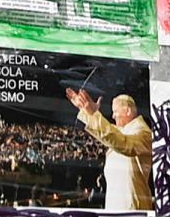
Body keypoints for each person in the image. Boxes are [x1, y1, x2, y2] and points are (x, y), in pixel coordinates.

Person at [65, 77, 155, 209]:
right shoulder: (123, 131)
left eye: (115, 112)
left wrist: (94, 114)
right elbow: (110, 133)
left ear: (128, 111)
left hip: (132, 211)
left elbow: (123, 144)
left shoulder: (143, 133)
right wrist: (88, 112)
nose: (113, 116)